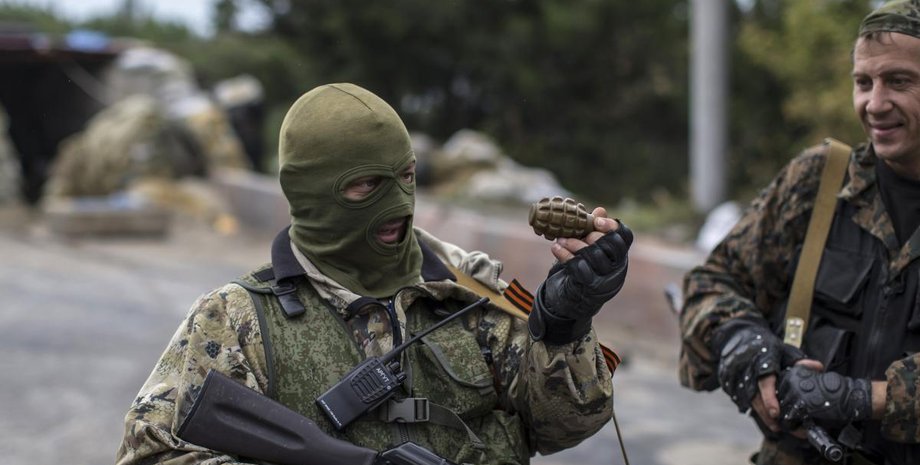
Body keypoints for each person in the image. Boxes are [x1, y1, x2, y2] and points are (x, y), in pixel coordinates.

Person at [115, 83, 632, 465]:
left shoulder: (470, 288)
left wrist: (563, 326)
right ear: (309, 192)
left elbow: (565, 426)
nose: (399, 203)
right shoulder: (234, 319)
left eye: (406, 177)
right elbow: (151, 455)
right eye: (365, 185)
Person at [679, 1, 920, 464]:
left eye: (899, 81)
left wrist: (857, 398)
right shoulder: (819, 183)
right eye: (863, 82)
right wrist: (742, 344)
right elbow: (711, 283)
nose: (875, 104)